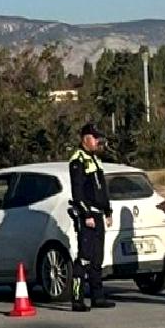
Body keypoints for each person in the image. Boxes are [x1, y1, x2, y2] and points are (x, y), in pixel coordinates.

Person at [68, 122, 115, 313]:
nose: (98, 142)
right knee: (84, 258)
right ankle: (77, 299)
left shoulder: (95, 160)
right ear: (85, 138)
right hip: (87, 216)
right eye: (95, 138)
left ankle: (98, 296)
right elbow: (78, 192)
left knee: (97, 259)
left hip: (98, 214)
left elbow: (101, 189)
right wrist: (86, 213)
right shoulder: (77, 160)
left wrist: (108, 211)